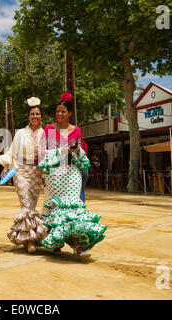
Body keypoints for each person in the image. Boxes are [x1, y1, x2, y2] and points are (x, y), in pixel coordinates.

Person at [38, 92, 107, 258]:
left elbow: (80, 153)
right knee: (58, 209)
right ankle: (56, 242)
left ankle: (78, 246)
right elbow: (43, 152)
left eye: (63, 111)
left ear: (69, 114)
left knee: (73, 207)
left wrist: (76, 151)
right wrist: (63, 151)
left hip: (72, 173)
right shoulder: (49, 129)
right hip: (55, 174)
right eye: (57, 111)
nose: (59, 114)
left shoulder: (76, 130)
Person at [0, 97, 47, 253]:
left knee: (32, 205)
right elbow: (12, 152)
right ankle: (30, 240)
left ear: (41, 116)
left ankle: (31, 236)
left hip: (37, 172)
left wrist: (46, 173)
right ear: (28, 116)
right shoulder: (20, 133)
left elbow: (48, 155)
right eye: (32, 114)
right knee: (25, 205)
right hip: (21, 170)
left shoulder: (46, 133)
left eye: (37, 114)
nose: (35, 117)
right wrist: (6, 168)